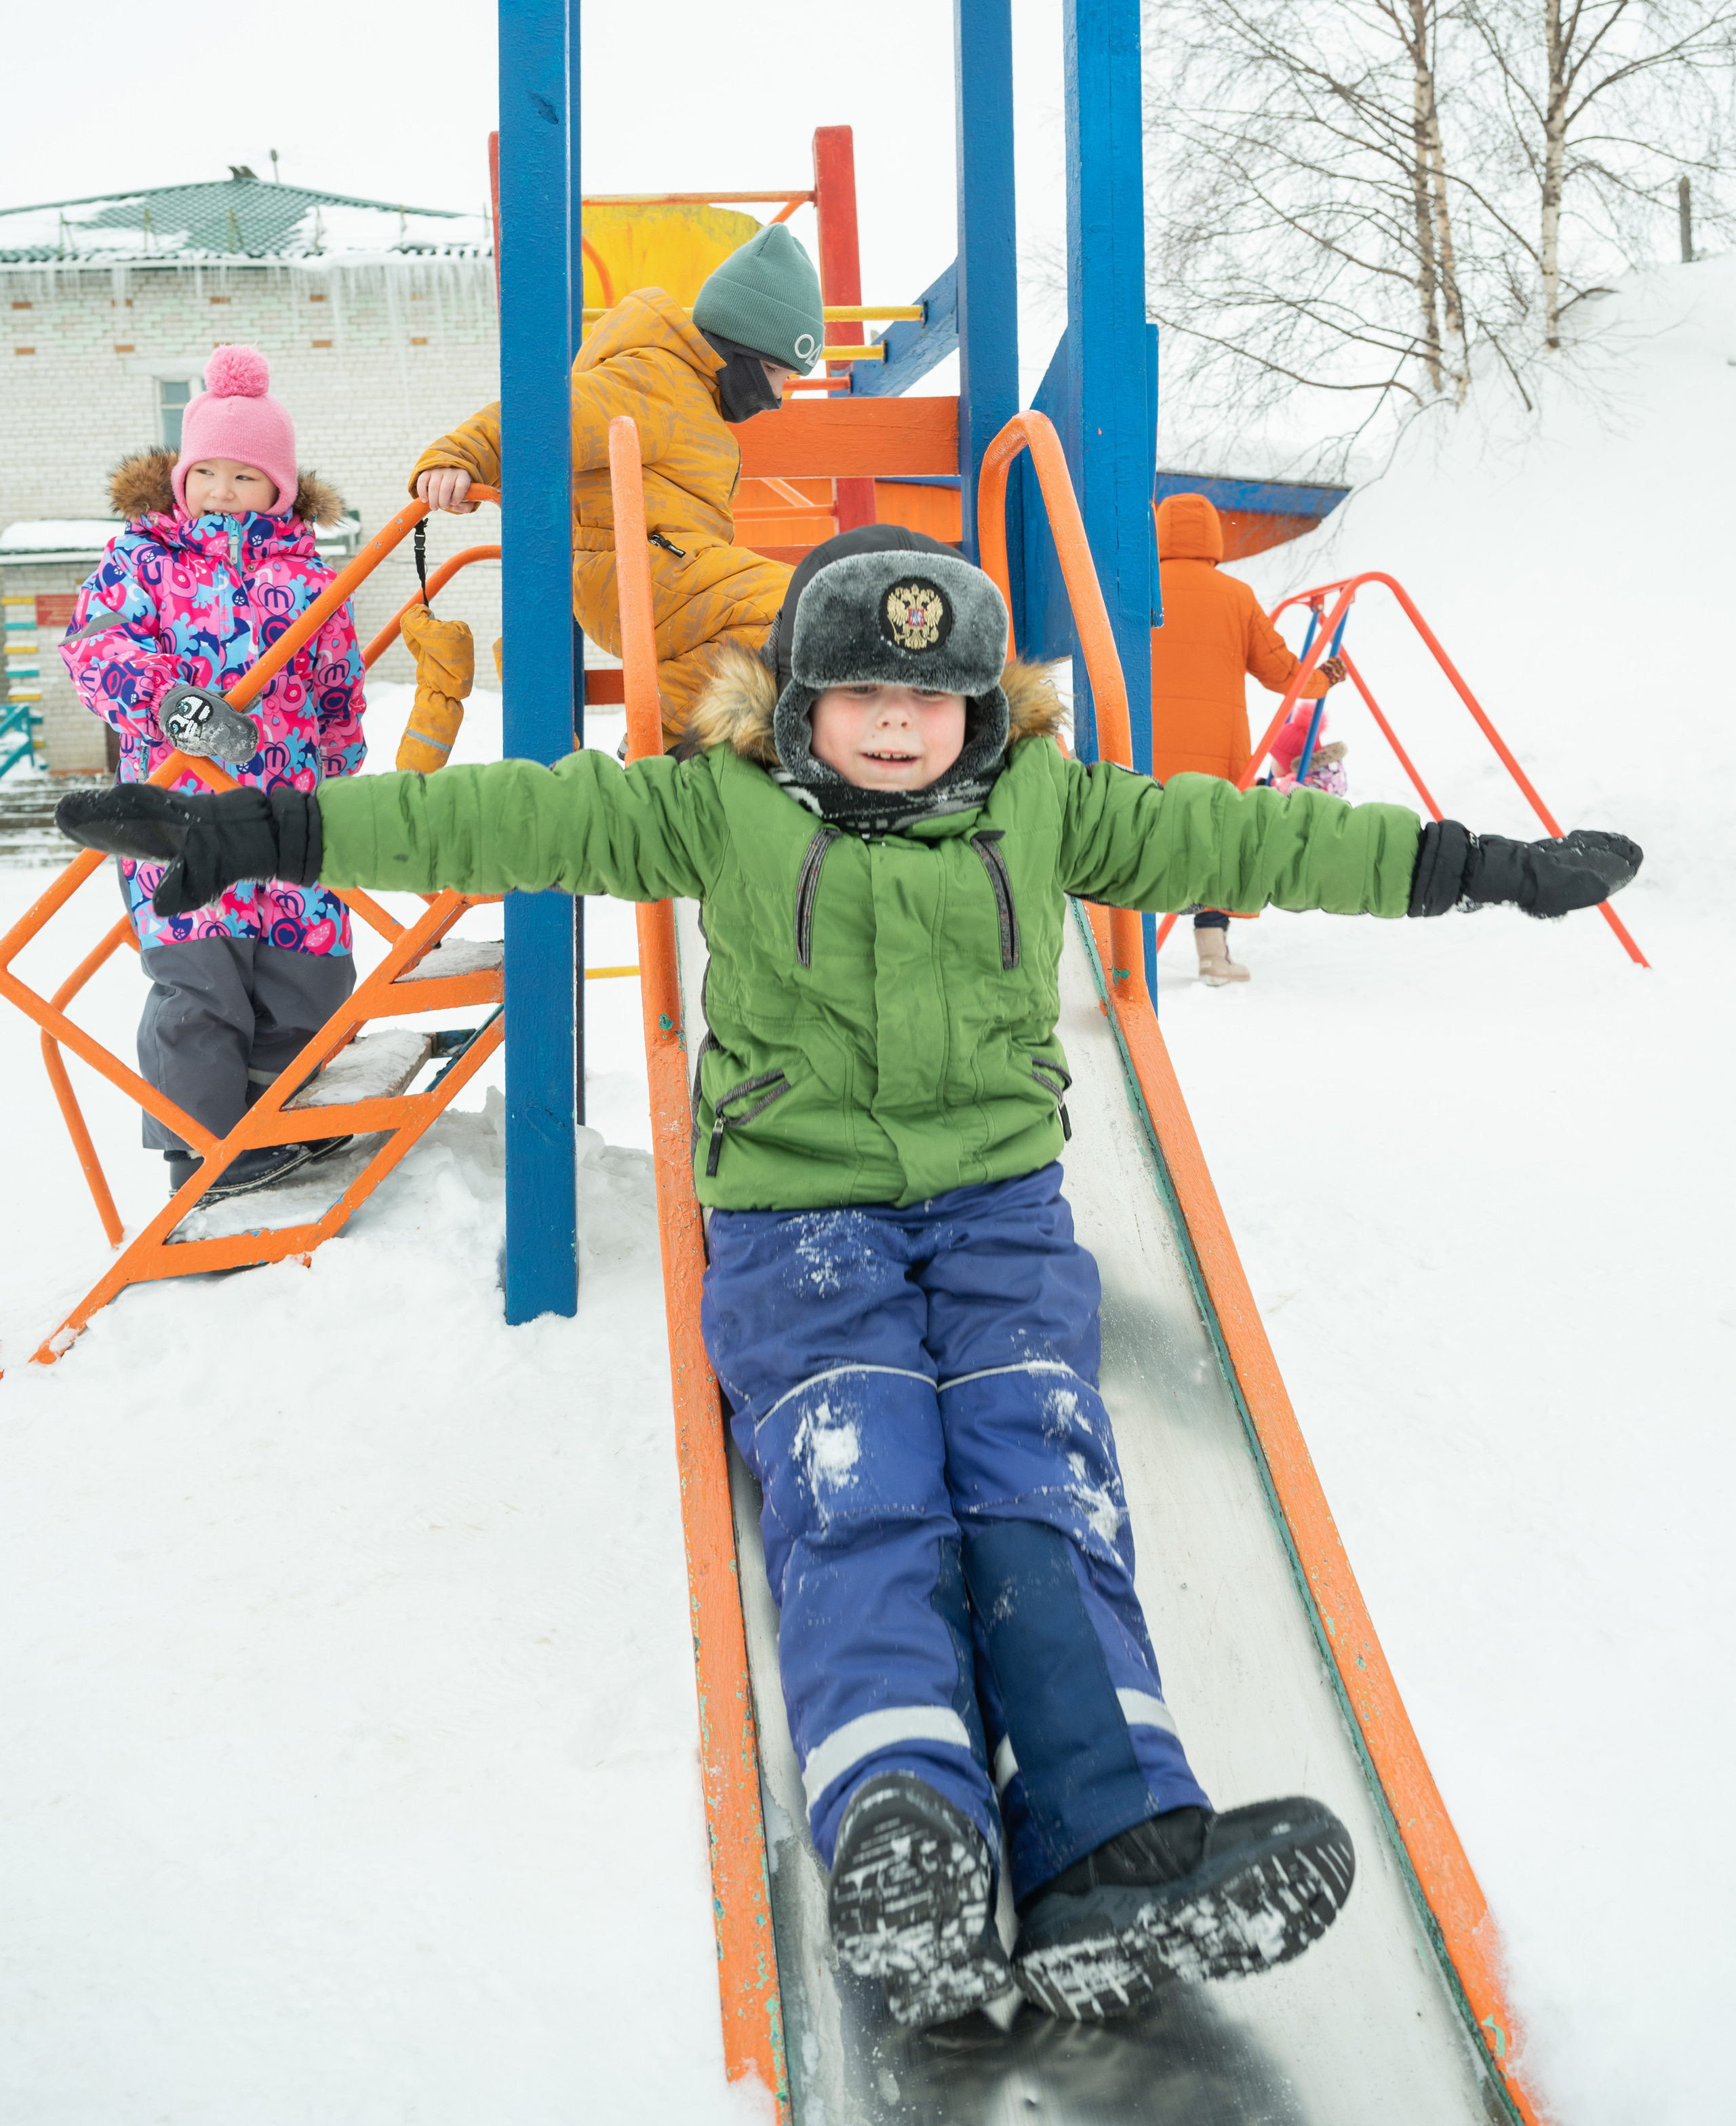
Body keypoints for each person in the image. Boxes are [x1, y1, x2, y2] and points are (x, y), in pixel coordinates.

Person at [55, 526, 1639, 2029]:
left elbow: (1254, 830)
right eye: (867, 694)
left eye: (934, 696)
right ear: (804, 703)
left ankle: (1112, 1840)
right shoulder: (713, 806)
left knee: (1039, 1470)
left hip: (998, 1208)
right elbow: (505, 816)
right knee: (861, 1464)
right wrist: (260, 826)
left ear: (977, 708)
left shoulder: (1046, 804)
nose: (901, 723)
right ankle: (907, 1821)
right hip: (797, 1217)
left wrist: (1474, 862)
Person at [60, 345, 366, 1204]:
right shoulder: (144, 558)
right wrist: (167, 701)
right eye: (210, 473)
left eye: (247, 475)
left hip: (285, 810)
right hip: (180, 812)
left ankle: (276, 1125)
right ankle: (198, 1151)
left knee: (305, 973)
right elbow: (94, 646)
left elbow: (337, 684)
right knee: (201, 985)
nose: (225, 491)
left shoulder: (308, 574)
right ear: (181, 478)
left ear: (281, 489)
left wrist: (339, 762)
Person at [411, 221, 824, 747]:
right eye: (774, 370)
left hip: (664, 568)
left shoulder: (696, 398)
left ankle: (670, 735)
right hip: (629, 566)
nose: (779, 395)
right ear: (735, 345)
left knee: (790, 619)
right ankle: (667, 734)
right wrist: (463, 454)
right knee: (804, 604)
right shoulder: (656, 379)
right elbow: (554, 414)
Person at [1151, 493, 1347, 988]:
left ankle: (1128, 953)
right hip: (1220, 754)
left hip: (1146, 748)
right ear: (1215, 537)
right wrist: (1324, 676)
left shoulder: (1139, 591)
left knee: (1145, 837)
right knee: (1218, 843)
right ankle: (1214, 958)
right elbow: (1283, 674)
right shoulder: (1236, 596)